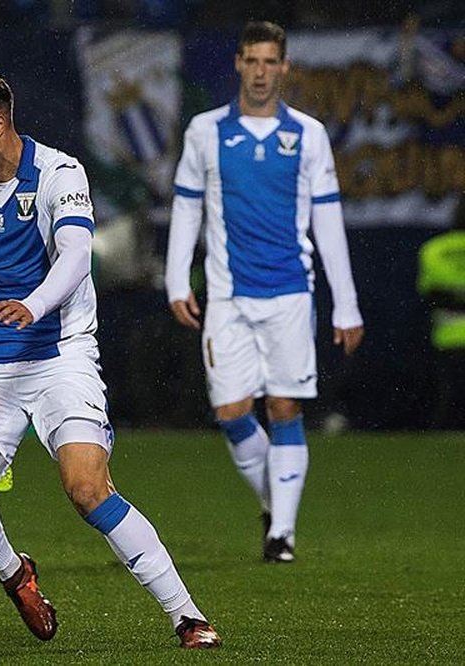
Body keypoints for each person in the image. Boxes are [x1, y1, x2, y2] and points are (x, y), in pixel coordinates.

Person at [0, 67, 221, 649]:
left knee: (87, 489)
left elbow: (77, 255)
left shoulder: (60, 171)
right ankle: (16, 574)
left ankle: (186, 615)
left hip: (62, 356)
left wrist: (34, 306)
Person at [165, 21, 365, 564]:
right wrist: (176, 277)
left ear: (284, 67)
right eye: (251, 60)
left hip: (289, 296)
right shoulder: (205, 131)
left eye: (269, 62)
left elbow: (327, 221)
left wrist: (345, 302)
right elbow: (187, 207)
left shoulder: (308, 135)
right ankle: (280, 509)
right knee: (232, 413)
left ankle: (281, 533)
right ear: (237, 63)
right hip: (227, 298)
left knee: (283, 407)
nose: (260, 72)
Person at [417, 213, 465, 430]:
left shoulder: (433, 249)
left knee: (449, 393)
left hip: (448, 334)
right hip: (450, 335)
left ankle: (441, 433)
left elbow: (430, 294)